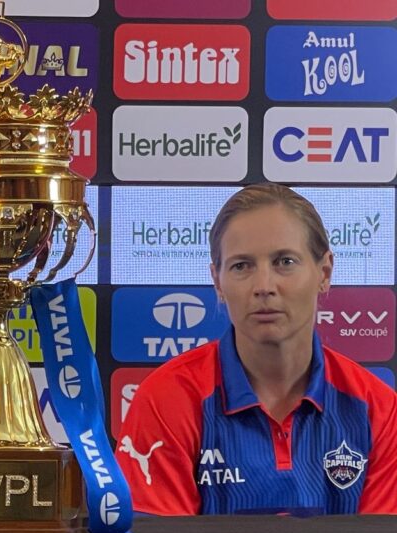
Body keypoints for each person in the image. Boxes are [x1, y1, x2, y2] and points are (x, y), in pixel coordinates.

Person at [116, 183, 397, 515]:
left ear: (324, 272)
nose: (264, 287)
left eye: (285, 262)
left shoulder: (379, 409)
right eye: (241, 266)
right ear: (218, 282)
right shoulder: (166, 399)